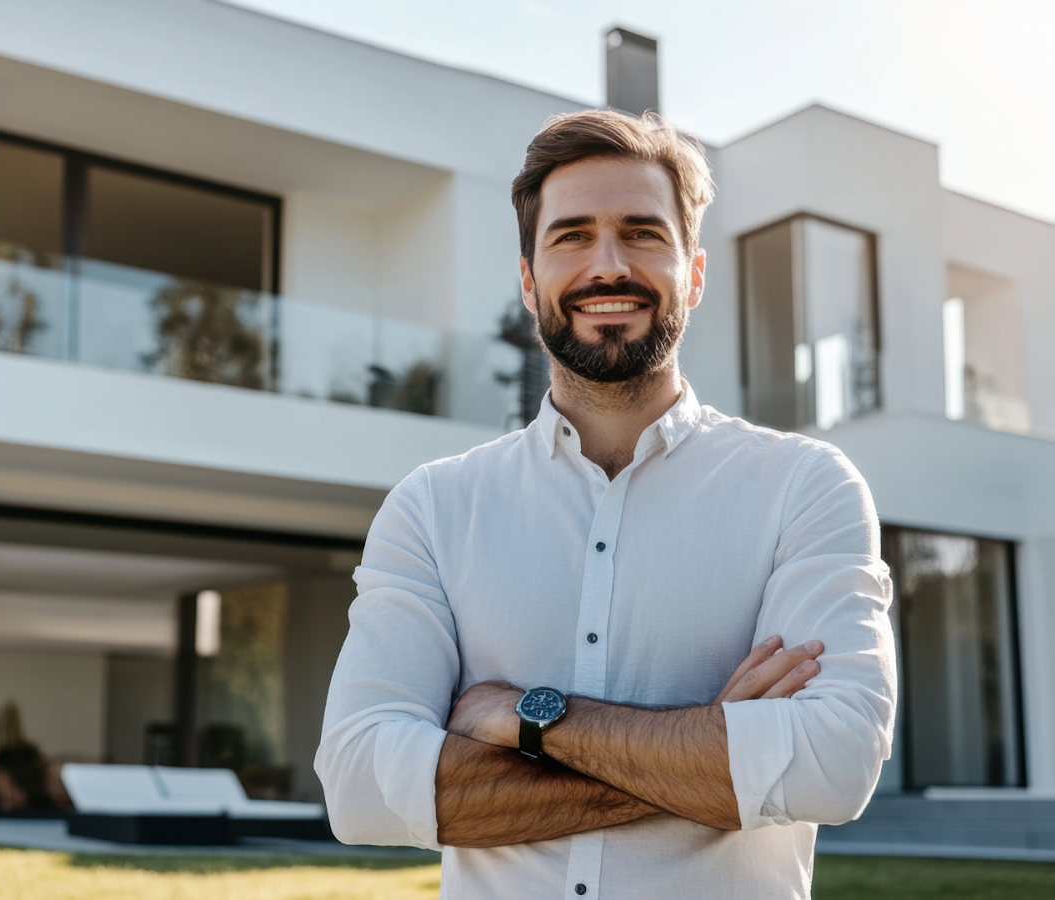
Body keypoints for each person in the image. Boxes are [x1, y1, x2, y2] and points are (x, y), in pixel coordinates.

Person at [313, 108, 896, 899]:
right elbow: (361, 789)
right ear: (529, 282)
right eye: (572, 236)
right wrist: (711, 749)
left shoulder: (804, 487)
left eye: (643, 233)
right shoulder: (434, 509)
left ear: (694, 273)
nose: (609, 265)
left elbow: (833, 764)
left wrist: (527, 719)